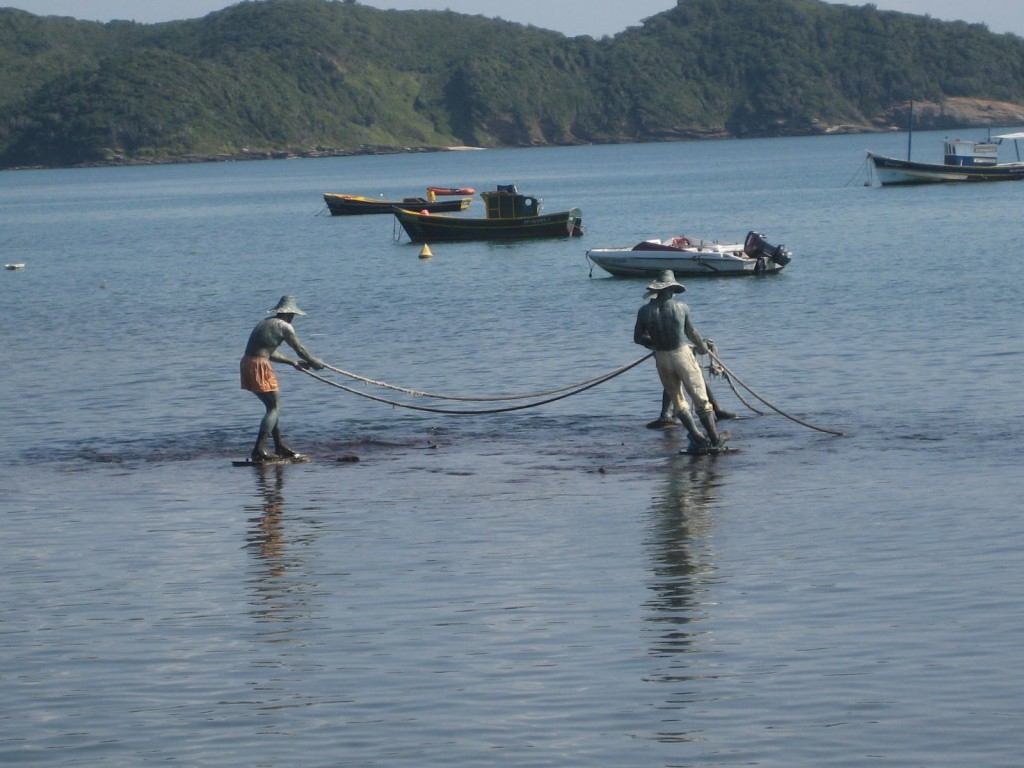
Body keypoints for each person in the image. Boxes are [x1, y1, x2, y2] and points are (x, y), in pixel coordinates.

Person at [634, 273, 729, 454]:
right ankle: (715, 438)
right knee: (700, 396)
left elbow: (638, 338)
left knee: (677, 399)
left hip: (662, 357)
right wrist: (701, 347)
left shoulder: (644, 311)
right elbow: (691, 331)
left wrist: (655, 343)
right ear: (669, 289)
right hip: (681, 353)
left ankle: (697, 437)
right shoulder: (681, 307)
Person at [240, 295, 325, 462]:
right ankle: (258, 451)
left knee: (271, 406)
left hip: (247, 363)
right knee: (275, 407)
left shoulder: (265, 323)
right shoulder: (285, 326)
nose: (293, 318)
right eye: (292, 315)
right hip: (259, 365)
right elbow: (299, 349)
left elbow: (269, 353)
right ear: (289, 313)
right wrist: (313, 361)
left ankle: (279, 446)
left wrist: (293, 362)